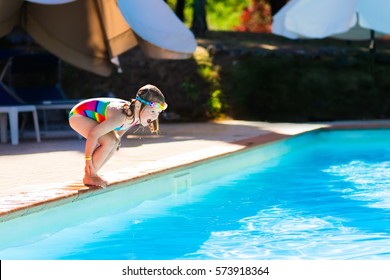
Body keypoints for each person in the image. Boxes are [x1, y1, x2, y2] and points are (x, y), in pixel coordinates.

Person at [69, 84, 167, 188]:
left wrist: (117, 140)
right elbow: (94, 134)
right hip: (79, 115)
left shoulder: (136, 114)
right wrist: (88, 158)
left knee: (114, 142)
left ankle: (92, 174)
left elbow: (123, 127)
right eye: (152, 111)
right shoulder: (121, 115)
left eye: (158, 112)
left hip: (95, 117)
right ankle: (90, 175)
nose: (155, 116)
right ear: (138, 105)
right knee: (109, 141)